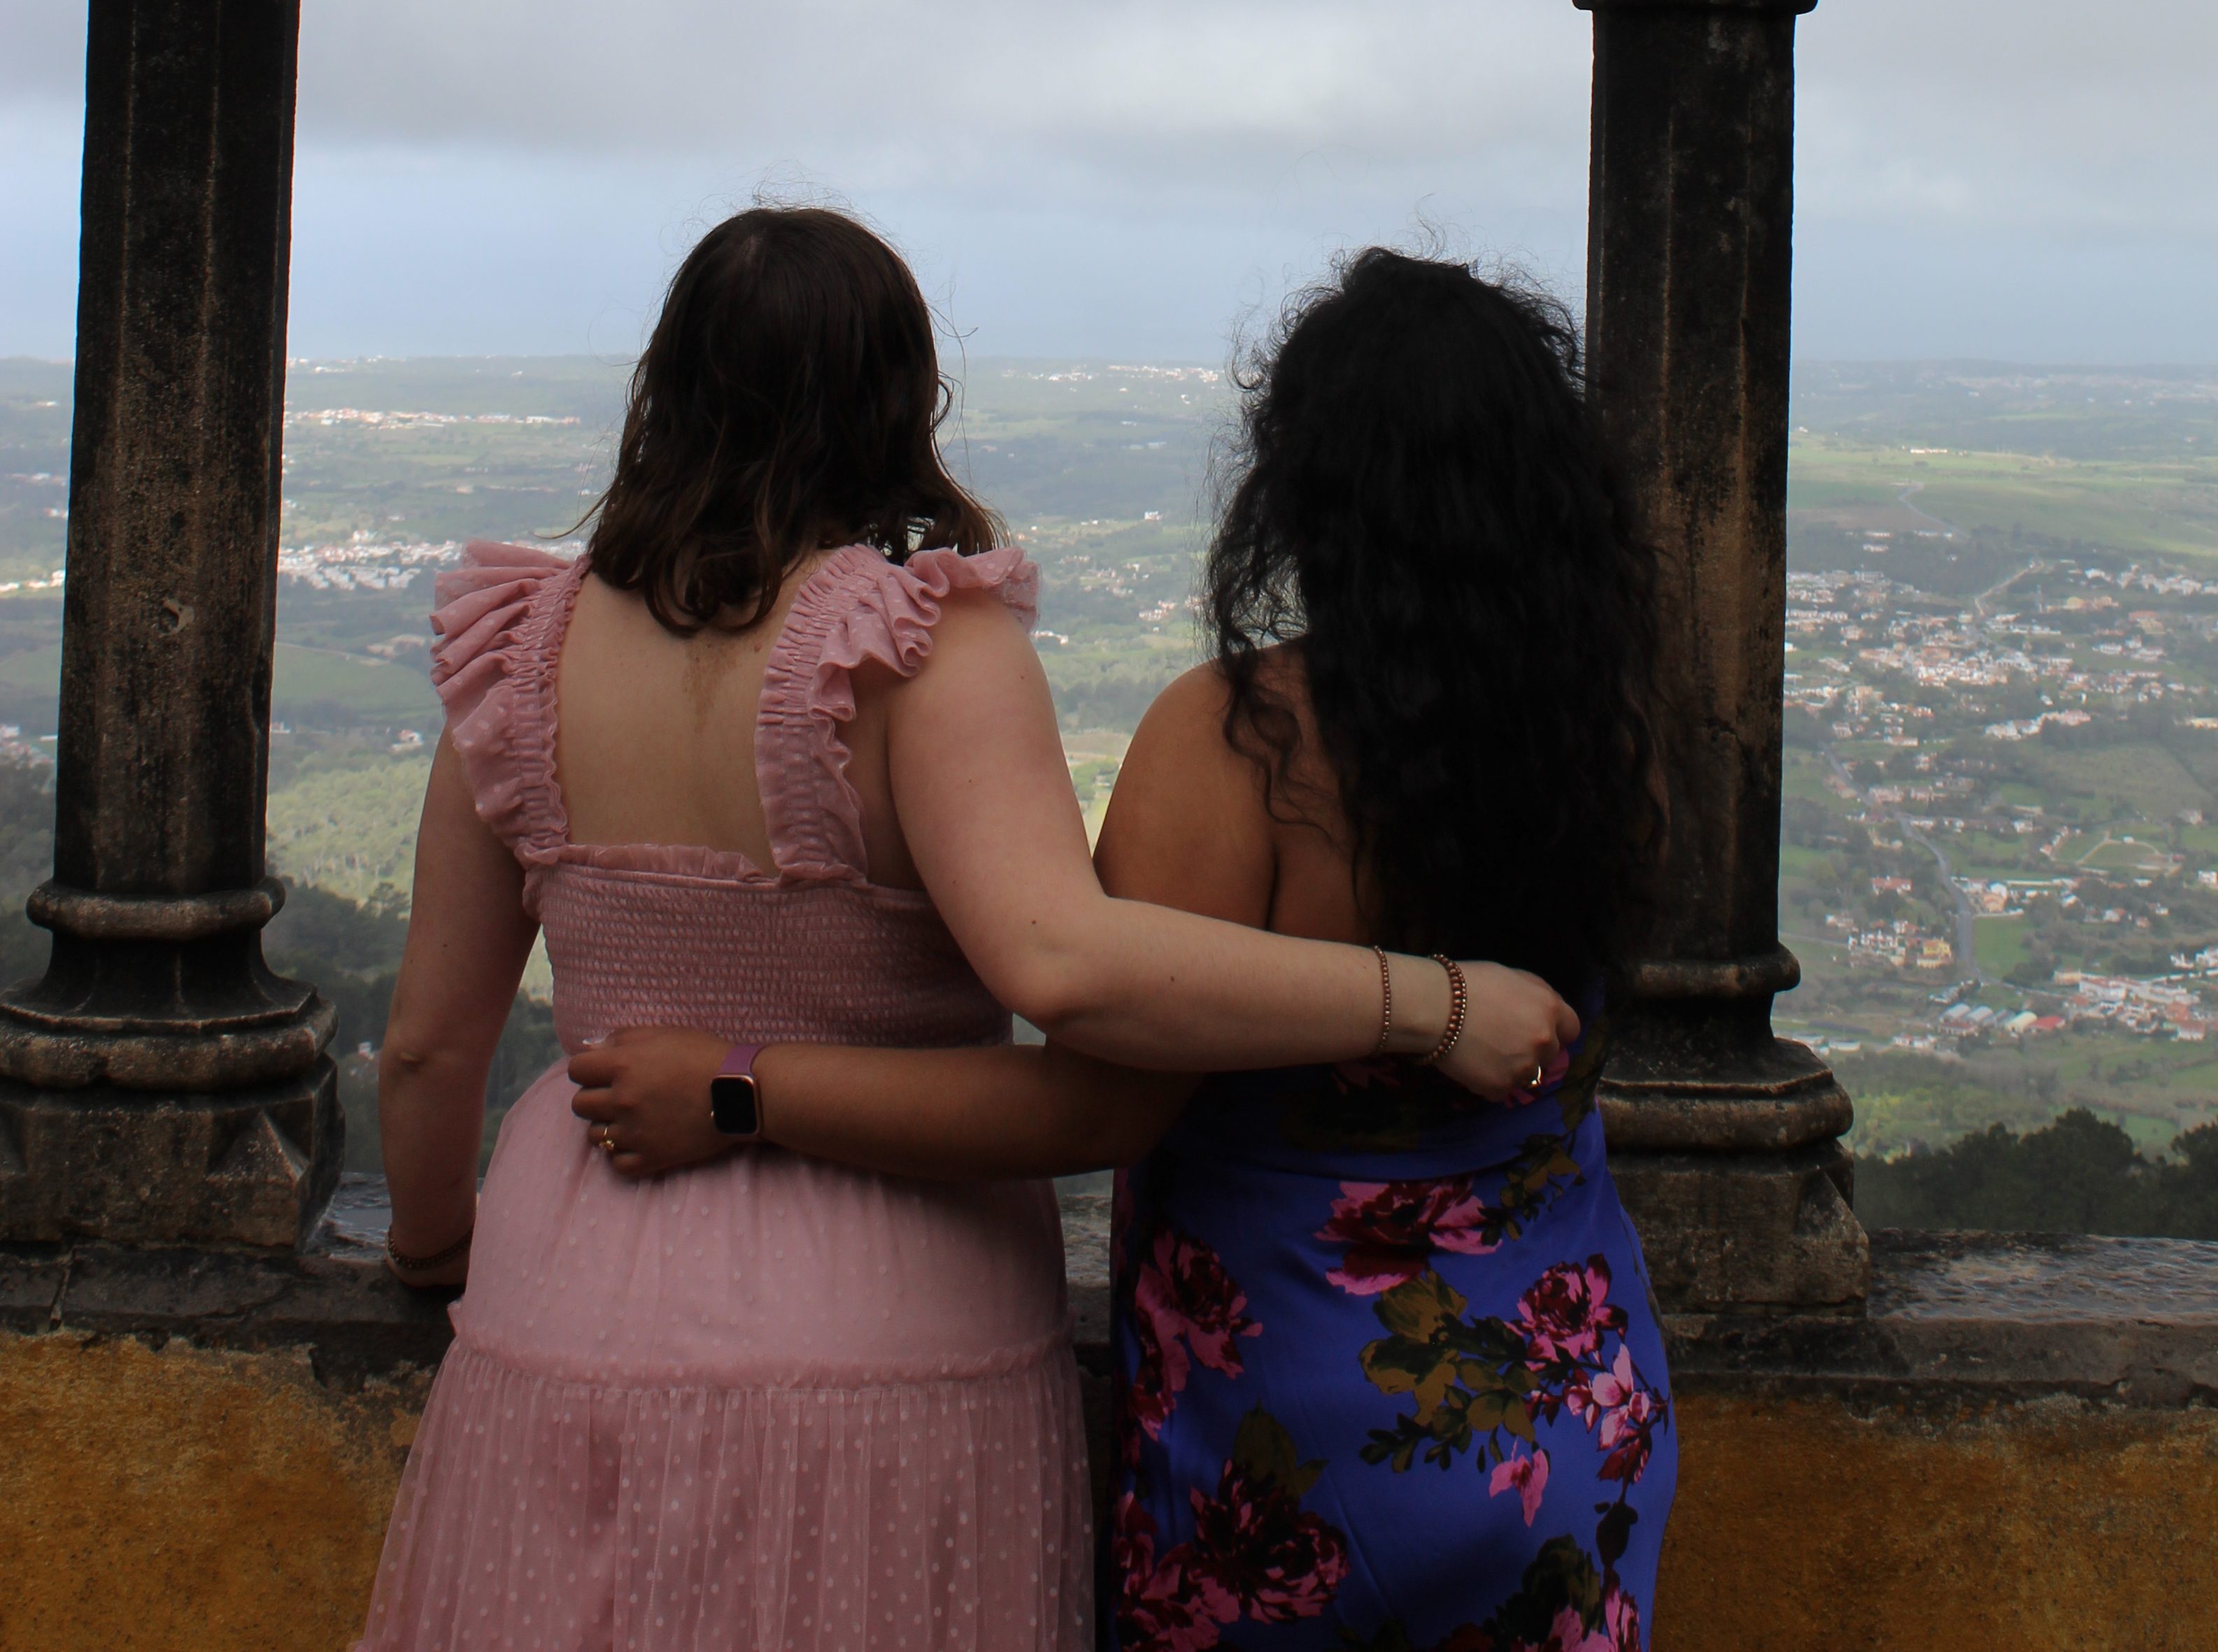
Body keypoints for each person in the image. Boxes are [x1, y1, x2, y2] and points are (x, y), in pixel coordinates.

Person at [359, 211, 1574, 1652]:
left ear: (663, 386)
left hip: (564, 1303)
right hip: (897, 1315)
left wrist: (440, 1258)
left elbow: (432, 1050)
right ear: (902, 399)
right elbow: (1062, 967)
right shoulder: (925, 654)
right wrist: (1428, 1002)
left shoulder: (515, 652)